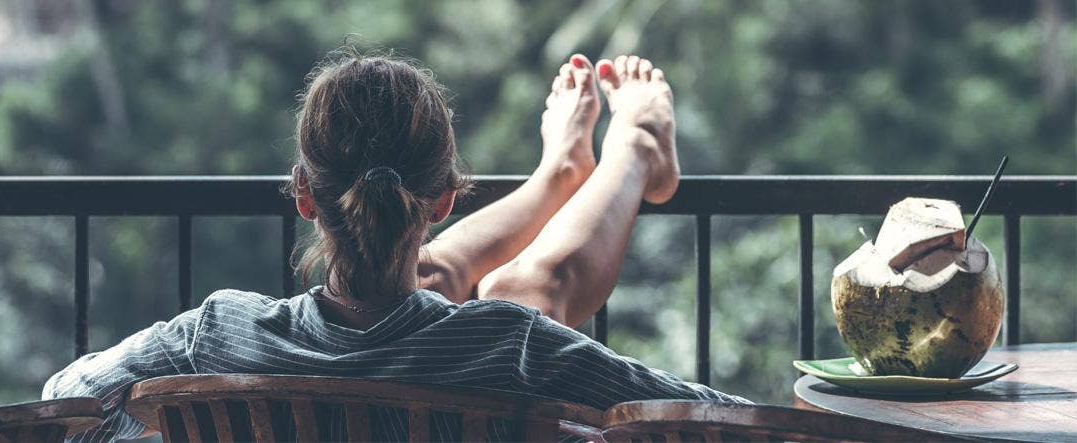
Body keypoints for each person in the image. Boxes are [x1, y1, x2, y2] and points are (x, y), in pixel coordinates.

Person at [43, 48, 747, 442]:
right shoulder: (512, 345)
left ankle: (567, 171)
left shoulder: (217, 335)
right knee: (516, 291)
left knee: (477, 290)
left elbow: (65, 398)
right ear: (443, 198)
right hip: (476, 336)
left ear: (303, 194)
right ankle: (622, 148)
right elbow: (713, 422)